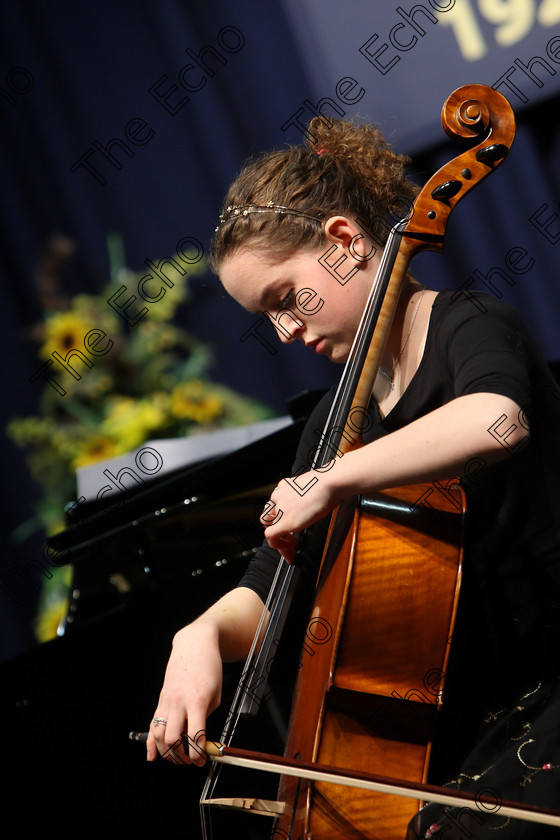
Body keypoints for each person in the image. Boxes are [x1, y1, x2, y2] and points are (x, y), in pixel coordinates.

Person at [146, 116, 560, 838]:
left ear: (344, 242)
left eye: (284, 299)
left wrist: (338, 478)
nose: (286, 333)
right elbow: (273, 588)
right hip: (474, 735)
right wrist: (202, 634)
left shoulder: (468, 324)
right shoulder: (337, 423)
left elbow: (497, 419)